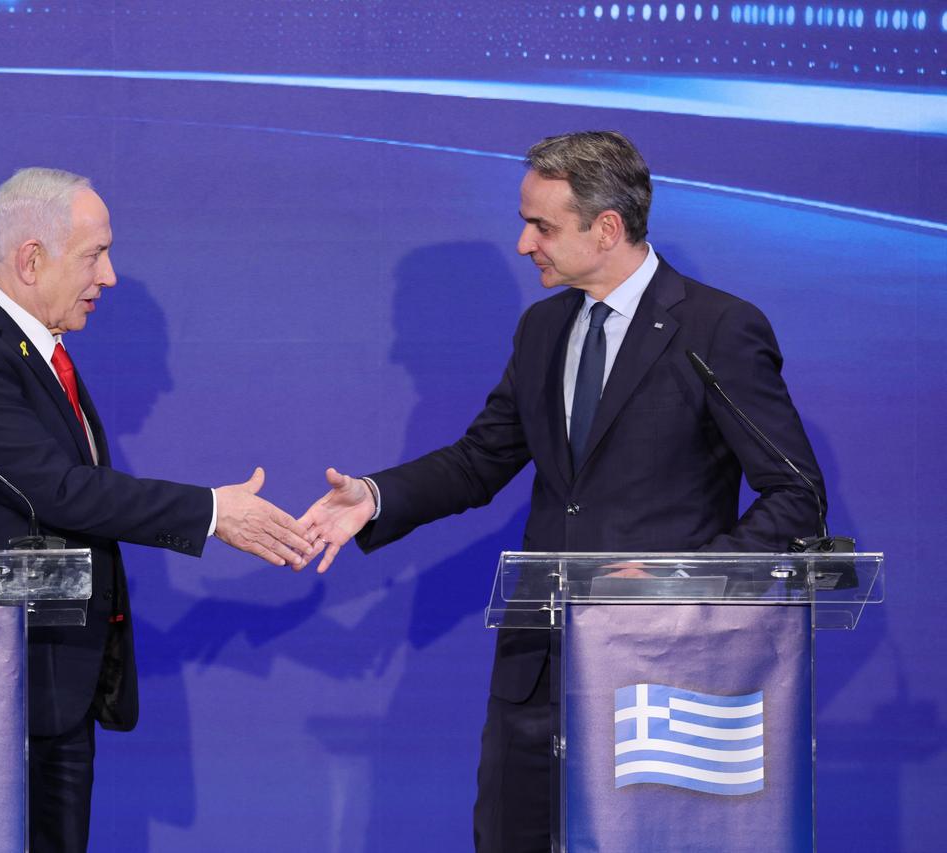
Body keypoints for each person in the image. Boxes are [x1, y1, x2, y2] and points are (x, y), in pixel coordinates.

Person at [298, 130, 825, 852]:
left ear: (606, 227)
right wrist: (374, 496)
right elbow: (481, 461)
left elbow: (796, 495)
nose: (524, 243)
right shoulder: (543, 329)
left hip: (660, 679)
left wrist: (678, 579)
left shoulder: (717, 328)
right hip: (537, 672)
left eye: (540, 225)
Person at [0, 167, 312, 852]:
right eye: (96, 254)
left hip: (50, 690)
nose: (109, 276)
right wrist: (211, 512)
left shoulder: (38, 352)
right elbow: (55, 489)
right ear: (32, 258)